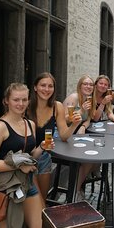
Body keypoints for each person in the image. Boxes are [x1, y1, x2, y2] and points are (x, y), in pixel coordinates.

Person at [0, 83, 51, 228]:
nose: (21, 104)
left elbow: (30, 156)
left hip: (27, 181)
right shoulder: (0, 127)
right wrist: (19, 167)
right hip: (5, 185)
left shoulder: (29, 124)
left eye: (24, 100)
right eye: (16, 100)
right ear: (6, 101)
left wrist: (41, 147)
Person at [27, 72, 82, 204]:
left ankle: (39, 224)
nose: (46, 89)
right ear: (35, 87)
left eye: (50, 86)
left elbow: (63, 136)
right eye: (43, 85)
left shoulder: (57, 107)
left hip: (44, 158)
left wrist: (74, 124)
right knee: (32, 202)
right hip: (26, 158)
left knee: (42, 200)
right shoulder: (26, 106)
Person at [62, 75, 96, 200]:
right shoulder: (74, 98)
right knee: (88, 159)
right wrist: (81, 110)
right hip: (65, 136)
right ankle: (74, 192)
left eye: (91, 84)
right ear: (79, 86)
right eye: (85, 84)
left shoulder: (89, 99)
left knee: (91, 157)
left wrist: (83, 126)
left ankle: (76, 188)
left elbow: (88, 119)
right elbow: (64, 119)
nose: (88, 86)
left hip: (78, 135)